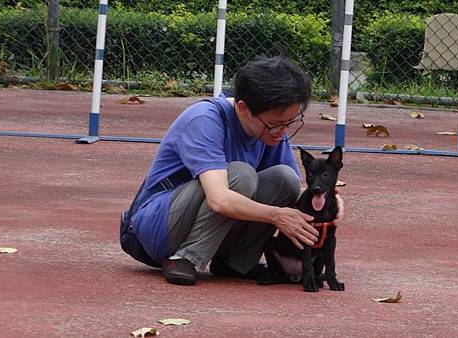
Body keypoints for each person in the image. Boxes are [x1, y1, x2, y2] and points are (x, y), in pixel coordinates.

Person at [124, 56, 339, 286]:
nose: (282, 131)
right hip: (153, 230)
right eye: (275, 124)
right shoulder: (204, 119)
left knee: (285, 180)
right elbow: (219, 200)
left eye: (290, 122)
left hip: (207, 226)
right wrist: (277, 216)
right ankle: (186, 258)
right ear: (243, 108)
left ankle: (234, 263)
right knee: (241, 175)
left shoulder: (269, 132)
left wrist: (327, 200)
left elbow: (293, 192)